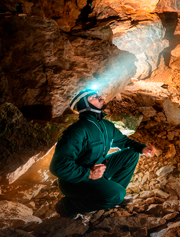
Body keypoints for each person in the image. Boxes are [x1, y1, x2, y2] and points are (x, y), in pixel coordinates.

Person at [50, 89, 156, 217]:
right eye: (93, 97)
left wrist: (142, 148)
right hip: (75, 181)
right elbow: (58, 166)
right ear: (84, 104)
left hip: (98, 170)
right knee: (116, 194)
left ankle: (113, 195)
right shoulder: (77, 130)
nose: (100, 97)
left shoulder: (106, 125)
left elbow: (123, 141)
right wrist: (89, 174)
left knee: (132, 154)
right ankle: (69, 206)